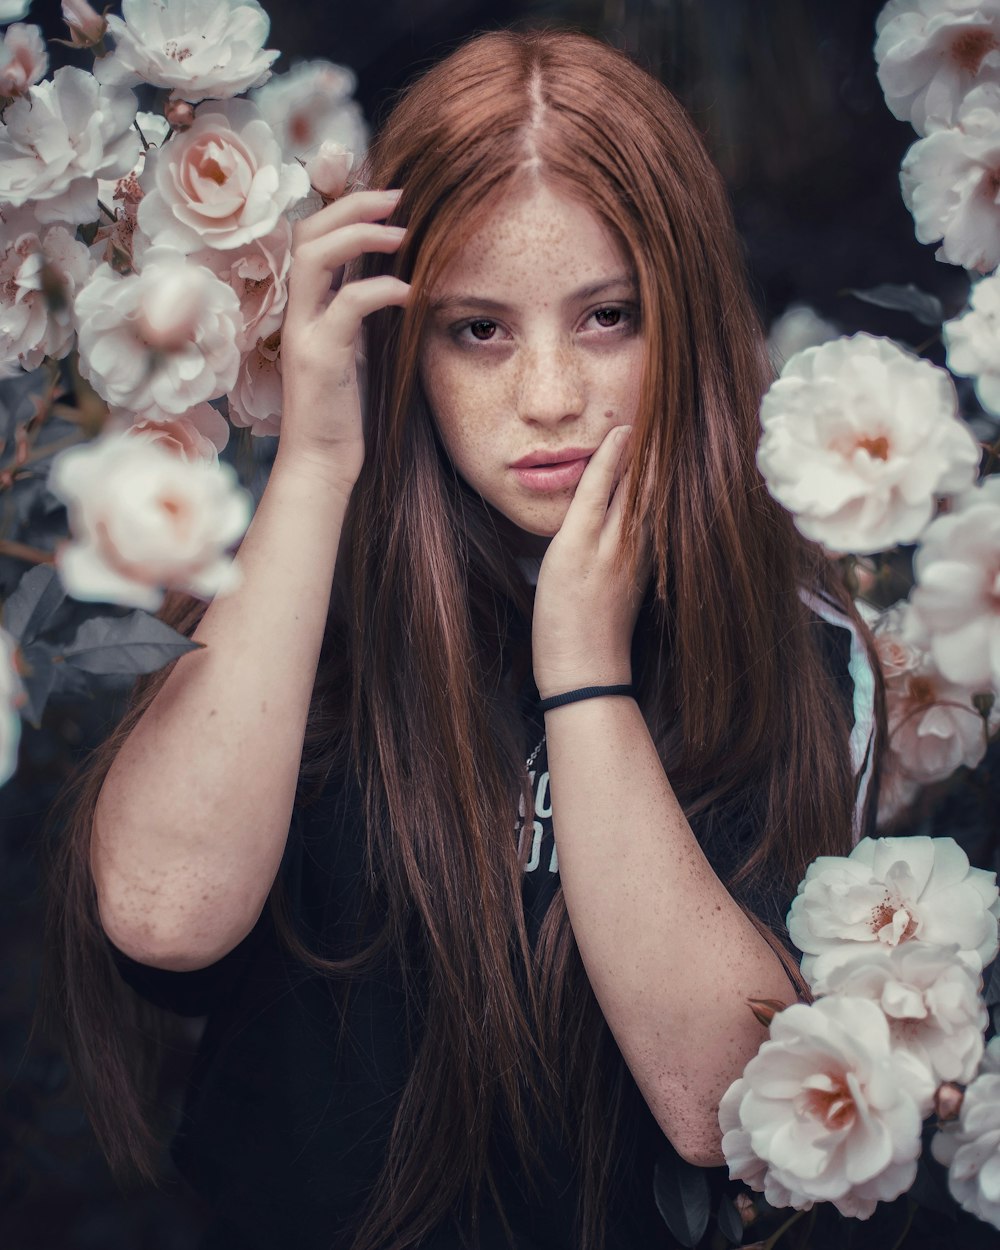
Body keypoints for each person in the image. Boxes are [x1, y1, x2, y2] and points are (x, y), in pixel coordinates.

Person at [44, 26, 884, 1250]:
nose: (549, 396)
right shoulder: (303, 587)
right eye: (476, 329)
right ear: (401, 340)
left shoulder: (791, 647)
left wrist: (584, 674)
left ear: (688, 319)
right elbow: (166, 909)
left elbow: (723, 1107)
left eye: (607, 317)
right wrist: (318, 464)